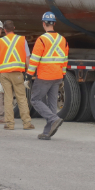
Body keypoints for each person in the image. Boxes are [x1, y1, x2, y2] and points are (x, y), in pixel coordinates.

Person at [27, 11, 69, 140]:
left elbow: (34, 59)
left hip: (45, 75)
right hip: (57, 76)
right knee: (51, 105)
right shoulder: (63, 39)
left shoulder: (42, 39)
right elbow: (64, 59)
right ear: (54, 23)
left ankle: (53, 119)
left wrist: (29, 75)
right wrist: (63, 75)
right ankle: (47, 132)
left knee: (35, 99)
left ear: (44, 24)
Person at [0, 20, 35, 131]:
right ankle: (27, 123)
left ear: (4, 30)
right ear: (14, 28)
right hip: (18, 73)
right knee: (22, 98)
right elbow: (27, 57)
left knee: (8, 98)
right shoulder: (22, 40)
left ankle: (9, 124)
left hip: (4, 74)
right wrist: (29, 71)